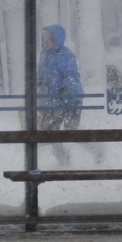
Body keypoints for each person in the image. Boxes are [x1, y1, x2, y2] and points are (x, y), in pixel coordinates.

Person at [37, 24, 83, 163]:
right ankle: (63, 160)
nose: (45, 42)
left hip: (70, 101)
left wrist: (66, 90)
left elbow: (72, 76)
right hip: (54, 102)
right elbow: (40, 76)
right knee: (51, 132)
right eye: (43, 39)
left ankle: (96, 149)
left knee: (72, 134)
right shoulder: (45, 54)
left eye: (47, 39)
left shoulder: (65, 55)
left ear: (56, 39)